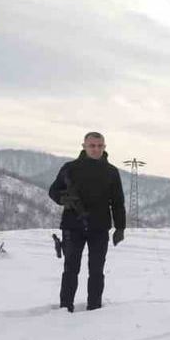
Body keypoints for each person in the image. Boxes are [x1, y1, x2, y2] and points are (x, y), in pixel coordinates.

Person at [47, 131, 126, 312]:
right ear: (84, 146)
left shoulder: (111, 172)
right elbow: (53, 191)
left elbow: (118, 202)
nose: (96, 149)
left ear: (104, 147)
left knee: (96, 270)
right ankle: (65, 307)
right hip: (72, 226)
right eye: (92, 145)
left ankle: (94, 307)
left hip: (100, 228)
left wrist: (120, 228)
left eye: (100, 146)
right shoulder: (70, 168)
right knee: (70, 269)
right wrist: (64, 199)